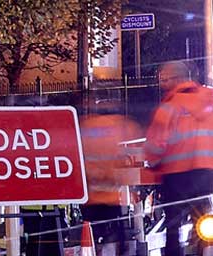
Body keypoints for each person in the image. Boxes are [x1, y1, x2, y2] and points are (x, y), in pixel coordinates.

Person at [145, 60, 213, 255]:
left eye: (164, 79)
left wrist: (153, 163)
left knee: (173, 227)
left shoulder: (170, 107)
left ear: (176, 79)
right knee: (205, 219)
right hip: (208, 175)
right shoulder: (209, 99)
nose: (161, 83)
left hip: (177, 177)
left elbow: (155, 145)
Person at [80, 97, 142, 255]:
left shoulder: (86, 126)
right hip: (112, 194)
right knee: (117, 233)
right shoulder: (120, 125)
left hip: (90, 194)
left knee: (94, 233)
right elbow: (135, 152)